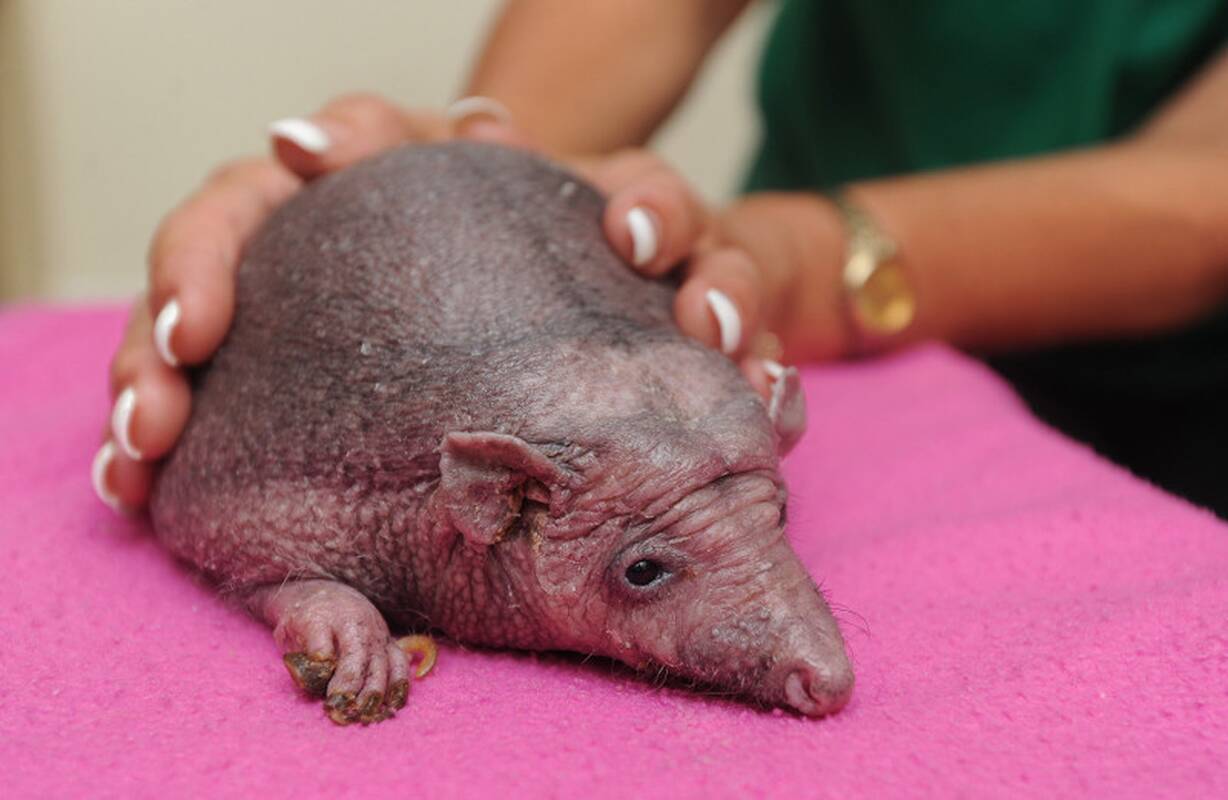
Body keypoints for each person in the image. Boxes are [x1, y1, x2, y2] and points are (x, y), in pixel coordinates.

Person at [95, 0, 1228, 518]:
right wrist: (472, 197)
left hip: (1174, 414)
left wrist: (792, 260)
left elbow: (1202, 189)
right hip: (765, 315)